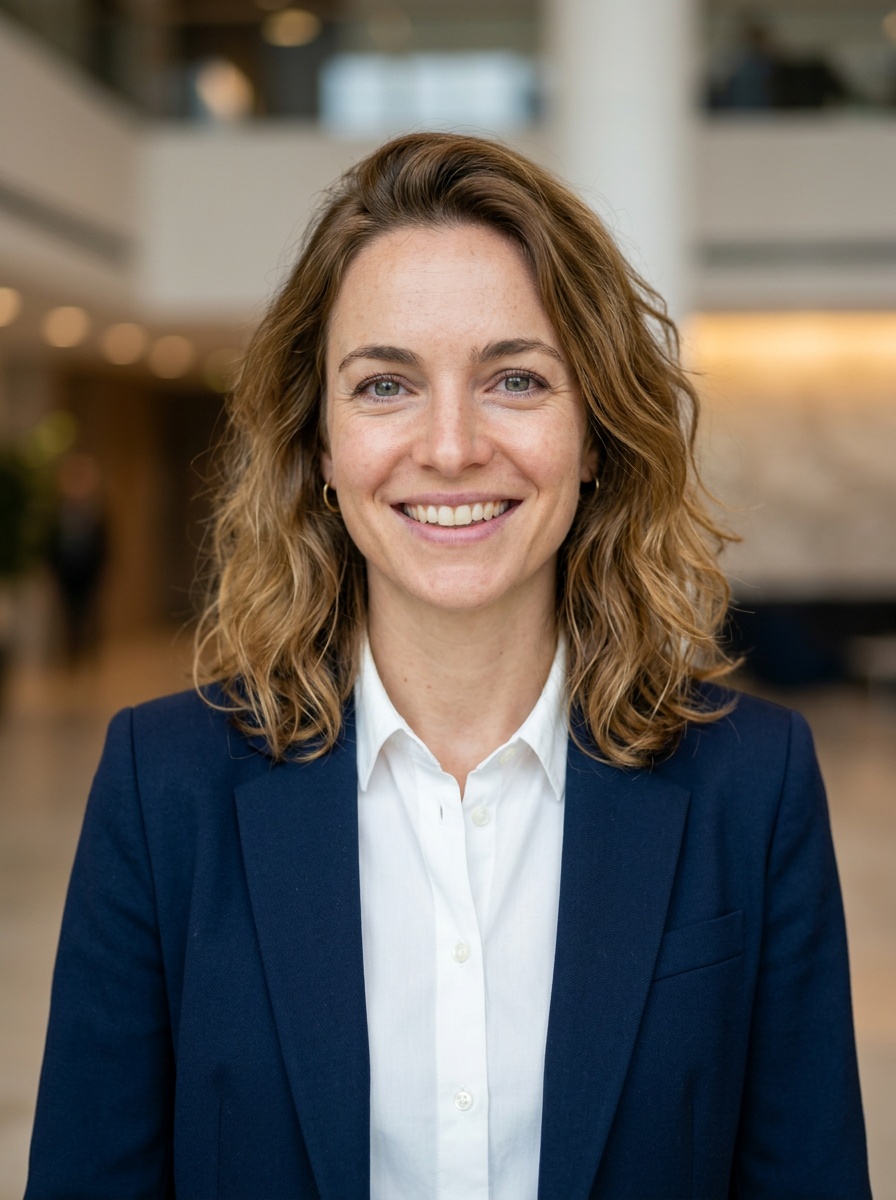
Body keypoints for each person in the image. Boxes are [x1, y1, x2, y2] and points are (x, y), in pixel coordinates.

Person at [26, 132, 870, 1199]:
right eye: (385, 386)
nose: (451, 445)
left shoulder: (752, 783)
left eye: (514, 378)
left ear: (595, 434)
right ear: (320, 447)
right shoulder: (164, 787)